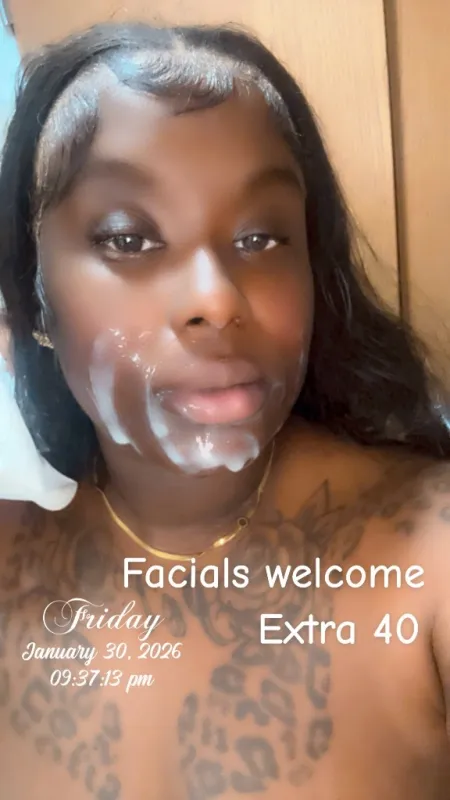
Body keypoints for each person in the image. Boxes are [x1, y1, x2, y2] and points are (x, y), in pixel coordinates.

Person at [0, 20, 449, 800]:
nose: (215, 298)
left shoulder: (430, 555)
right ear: (33, 298)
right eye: (128, 239)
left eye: (262, 237)